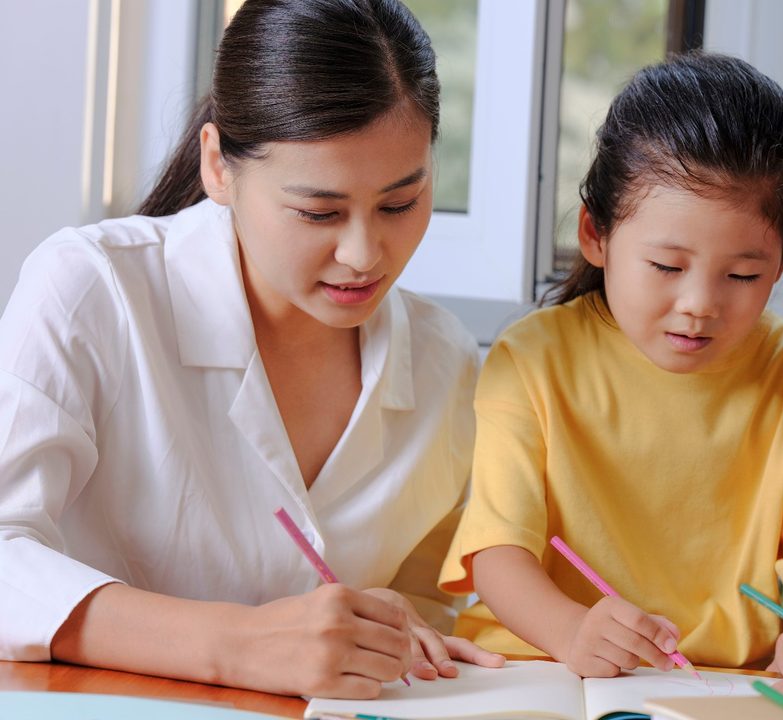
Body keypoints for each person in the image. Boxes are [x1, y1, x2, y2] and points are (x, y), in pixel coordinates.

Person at [0, 0, 504, 700]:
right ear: (218, 166)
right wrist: (234, 647)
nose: (364, 255)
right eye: (318, 212)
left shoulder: (445, 362)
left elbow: (421, 594)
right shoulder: (93, 291)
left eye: (399, 204)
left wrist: (400, 628)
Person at [437, 52, 783, 678]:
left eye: (743, 275)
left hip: (727, 682)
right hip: (544, 665)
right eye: (667, 267)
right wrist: (571, 631)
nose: (699, 306)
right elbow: (496, 548)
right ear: (597, 235)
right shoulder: (532, 359)